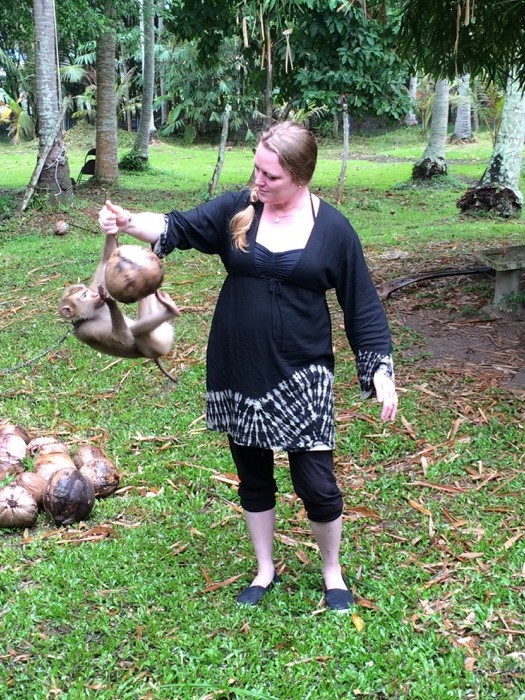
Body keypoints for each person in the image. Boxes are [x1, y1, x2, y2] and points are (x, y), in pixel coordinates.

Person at [98, 121, 398, 612]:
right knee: (253, 474)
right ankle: (264, 568)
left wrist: (379, 370)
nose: (258, 182)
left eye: (270, 176)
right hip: (238, 364)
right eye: (256, 169)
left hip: (303, 370)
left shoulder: (334, 229)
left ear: (301, 176)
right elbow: (181, 225)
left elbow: (360, 304)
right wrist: (128, 221)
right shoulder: (241, 207)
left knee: (316, 482)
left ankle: (332, 572)